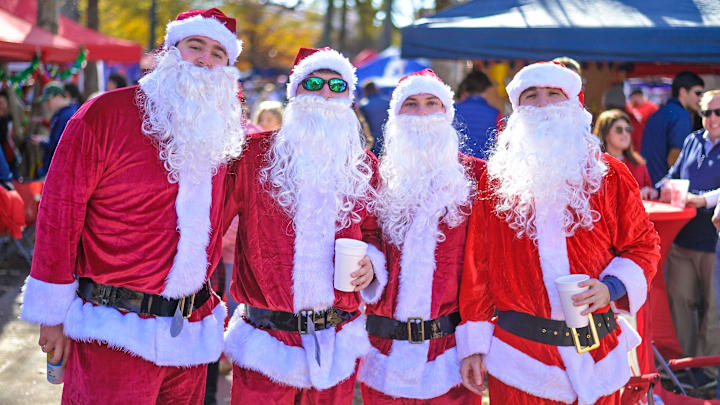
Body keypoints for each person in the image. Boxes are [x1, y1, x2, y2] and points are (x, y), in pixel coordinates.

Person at [20, 8, 246, 404]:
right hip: (113, 333)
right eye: (196, 46)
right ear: (172, 51)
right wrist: (51, 316)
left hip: (189, 338)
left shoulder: (224, 137)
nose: (206, 60)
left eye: (218, 53)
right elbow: (59, 214)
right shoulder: (105, 115)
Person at [458, 61, 660, 405]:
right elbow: (479, 267)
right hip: (520, 362)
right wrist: (474, 346)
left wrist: (611, 287)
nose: (542, 105)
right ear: (517, 110)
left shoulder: (609, 174)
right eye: (531, 96)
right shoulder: (495, 181)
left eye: (554, 94)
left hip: (597, 355)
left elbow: (643, 246)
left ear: (573, 105)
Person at [223, 47, 385, 405]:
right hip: (266, 345)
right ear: (294, 91)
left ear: (349, 96)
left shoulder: (365, 165)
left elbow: (374, 232)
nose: (324, 93)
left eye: (336, 85)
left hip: (335, 345)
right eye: (313, 82)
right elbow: (210, 223)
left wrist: (372, 264)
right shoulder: (252, 155)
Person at [357, 69, 483, 404]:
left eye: (432, 103)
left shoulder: (478, 177)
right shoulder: (375, 176)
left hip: (452, 353)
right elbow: (362, 233)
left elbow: (488, 264)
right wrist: (370, 261)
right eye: (411, 104)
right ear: (395, 116)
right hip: (382, 352)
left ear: (447, 114)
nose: (423, 112)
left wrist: (478, 343)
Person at [660, 90, 720, 373]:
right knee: (680, 303)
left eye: (718, 112)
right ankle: (683, 369)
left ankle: (707, 372)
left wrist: (702, 199)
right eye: (707, 112)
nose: (712, 118)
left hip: (714, 241)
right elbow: (673, 175)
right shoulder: (692, 140)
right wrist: (659, 186)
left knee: (714, 312)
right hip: (683, 239)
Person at [642, 71, 704, 185]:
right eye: (698, 93)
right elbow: (675, 158)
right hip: (666, 189)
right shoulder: (681, 115)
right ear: (683, 92)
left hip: (649, 186)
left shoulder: (657, 113)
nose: (701, 99)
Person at [593, 109, 657, 199]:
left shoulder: (638, 163)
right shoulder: (593, 165)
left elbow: (649, 191)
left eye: (628, 129)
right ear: (605, 134)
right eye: (619, 130)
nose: (625, 134)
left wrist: (650, 191)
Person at [35, 82, 80, 177]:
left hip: (59, 172)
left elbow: (57, 146)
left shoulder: (66, 115)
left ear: (58, 96)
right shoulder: (69, 112)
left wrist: (41, 142)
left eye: (48, 100)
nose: (47, 105)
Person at [454, 70, 499, 159]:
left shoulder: (452, 110)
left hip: (458, 165)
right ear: (486, 90)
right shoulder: (496, 113)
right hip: (484, 168)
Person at [358, 81, 390, 157]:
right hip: (389, 142)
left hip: (373, 145)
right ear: (376, 89)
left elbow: (362, 127)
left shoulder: (363, 105)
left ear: (365, 91)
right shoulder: (388, 102)